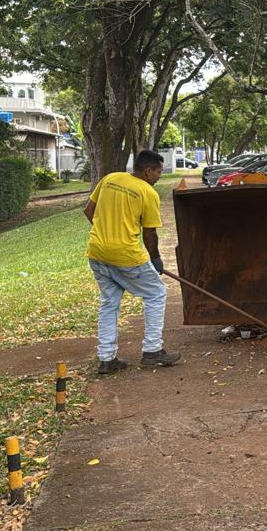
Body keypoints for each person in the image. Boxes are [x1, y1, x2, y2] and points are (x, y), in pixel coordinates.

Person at [83, 150, 181, 374]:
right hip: (126, 257)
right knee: (156, 293)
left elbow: (89, 210)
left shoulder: (110, 179)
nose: (159, 177)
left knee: (109, 303)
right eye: (158, 172)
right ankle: (152, 351)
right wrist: (155, 259)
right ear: (147, 171)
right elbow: (149, 234)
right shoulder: (147, 192)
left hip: (97, 253)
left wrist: (106, 233)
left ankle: (107, 358)